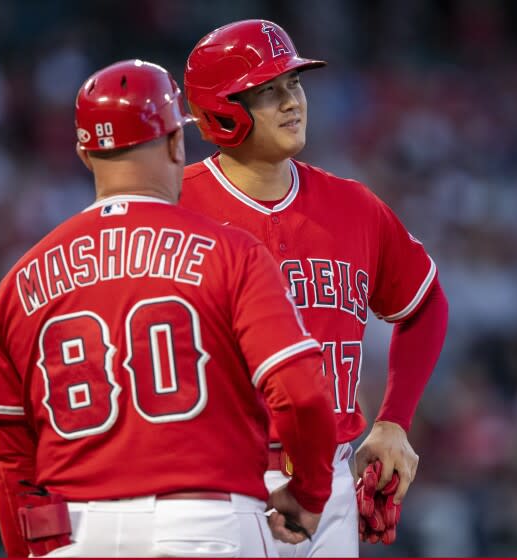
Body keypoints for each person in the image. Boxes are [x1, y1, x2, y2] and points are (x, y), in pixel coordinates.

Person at [0, 59, 337, 558]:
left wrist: (33, 548)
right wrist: (311, 492)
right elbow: (301, 391)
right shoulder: (232, 253)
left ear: (85, 152)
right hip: (204, 521)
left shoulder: (22, 278)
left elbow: (7, 454)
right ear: (175, 142)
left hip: (76, 531)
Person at [181, 20, 450, 556]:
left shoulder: (353, 207)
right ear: (223, 110)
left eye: (294, 84)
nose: (291, 102)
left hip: (327, 482)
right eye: (267, 91)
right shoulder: (176, 208)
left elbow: (425, 305)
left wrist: (394, 420)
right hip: (213, 481)